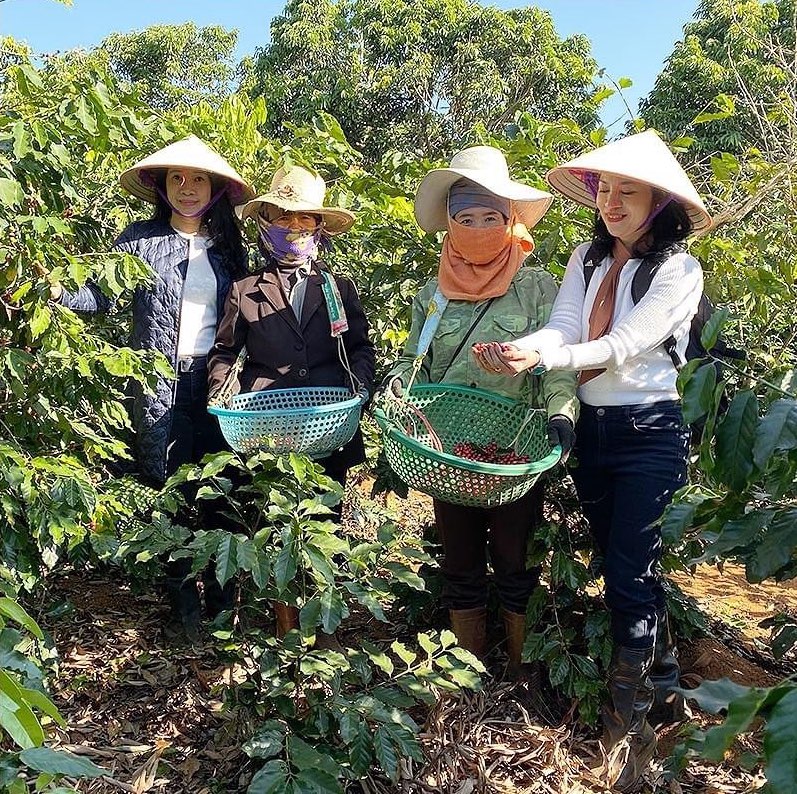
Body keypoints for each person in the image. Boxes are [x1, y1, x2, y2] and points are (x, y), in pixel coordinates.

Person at [472, 129, 711, 790]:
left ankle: (628, 732)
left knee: (632, 571)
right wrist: (529, 345)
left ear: (658, 202)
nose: (609, 201)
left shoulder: (678, 271)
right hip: (595, 430)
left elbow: (622, 345)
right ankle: (661, 694)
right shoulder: (585, 256)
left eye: (625, 191)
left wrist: (545, 355)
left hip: (648, 431)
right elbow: (567, 327)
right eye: (604, 188)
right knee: (620, 567)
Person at [53, 135, 255, 644]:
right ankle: (184, 606)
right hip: (157, 382)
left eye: (198, 179)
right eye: (177, 179)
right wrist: (51, 290)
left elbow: (250, 316)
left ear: (215, 189)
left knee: (222, 488)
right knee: (170, 488)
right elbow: (98, 293)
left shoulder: (231, 250)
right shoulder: (137, 242)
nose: (187, 188)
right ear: (163, 187)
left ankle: (224, 602)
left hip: (217, 383)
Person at [385, 146, 578, 679]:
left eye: (489, 217)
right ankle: (464, 674)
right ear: (448, 223)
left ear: (509, 219)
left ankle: (520, 672)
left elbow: (558, 359)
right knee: (461, 563)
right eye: (464, 218)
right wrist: (398, 392)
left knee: (516, 564)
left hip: (517, 449)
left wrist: (563, 414)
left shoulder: (537, 286)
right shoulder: (435, 293)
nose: (476, 228)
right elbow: (413, 361)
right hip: (447, 451)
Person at [206, 164, 376, 636]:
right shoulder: (245, 291)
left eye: (304, 221)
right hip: (269, 426)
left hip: (329, 423)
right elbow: (225, 351)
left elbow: (360, 347)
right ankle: (287, 635)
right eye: (283, 219)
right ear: (265, 225)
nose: (294, 230)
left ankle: (326, 632)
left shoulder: (337, 288)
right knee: (281, 529)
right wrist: (221, 388)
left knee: (327, 523)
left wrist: (359, 381)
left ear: (319, 228)